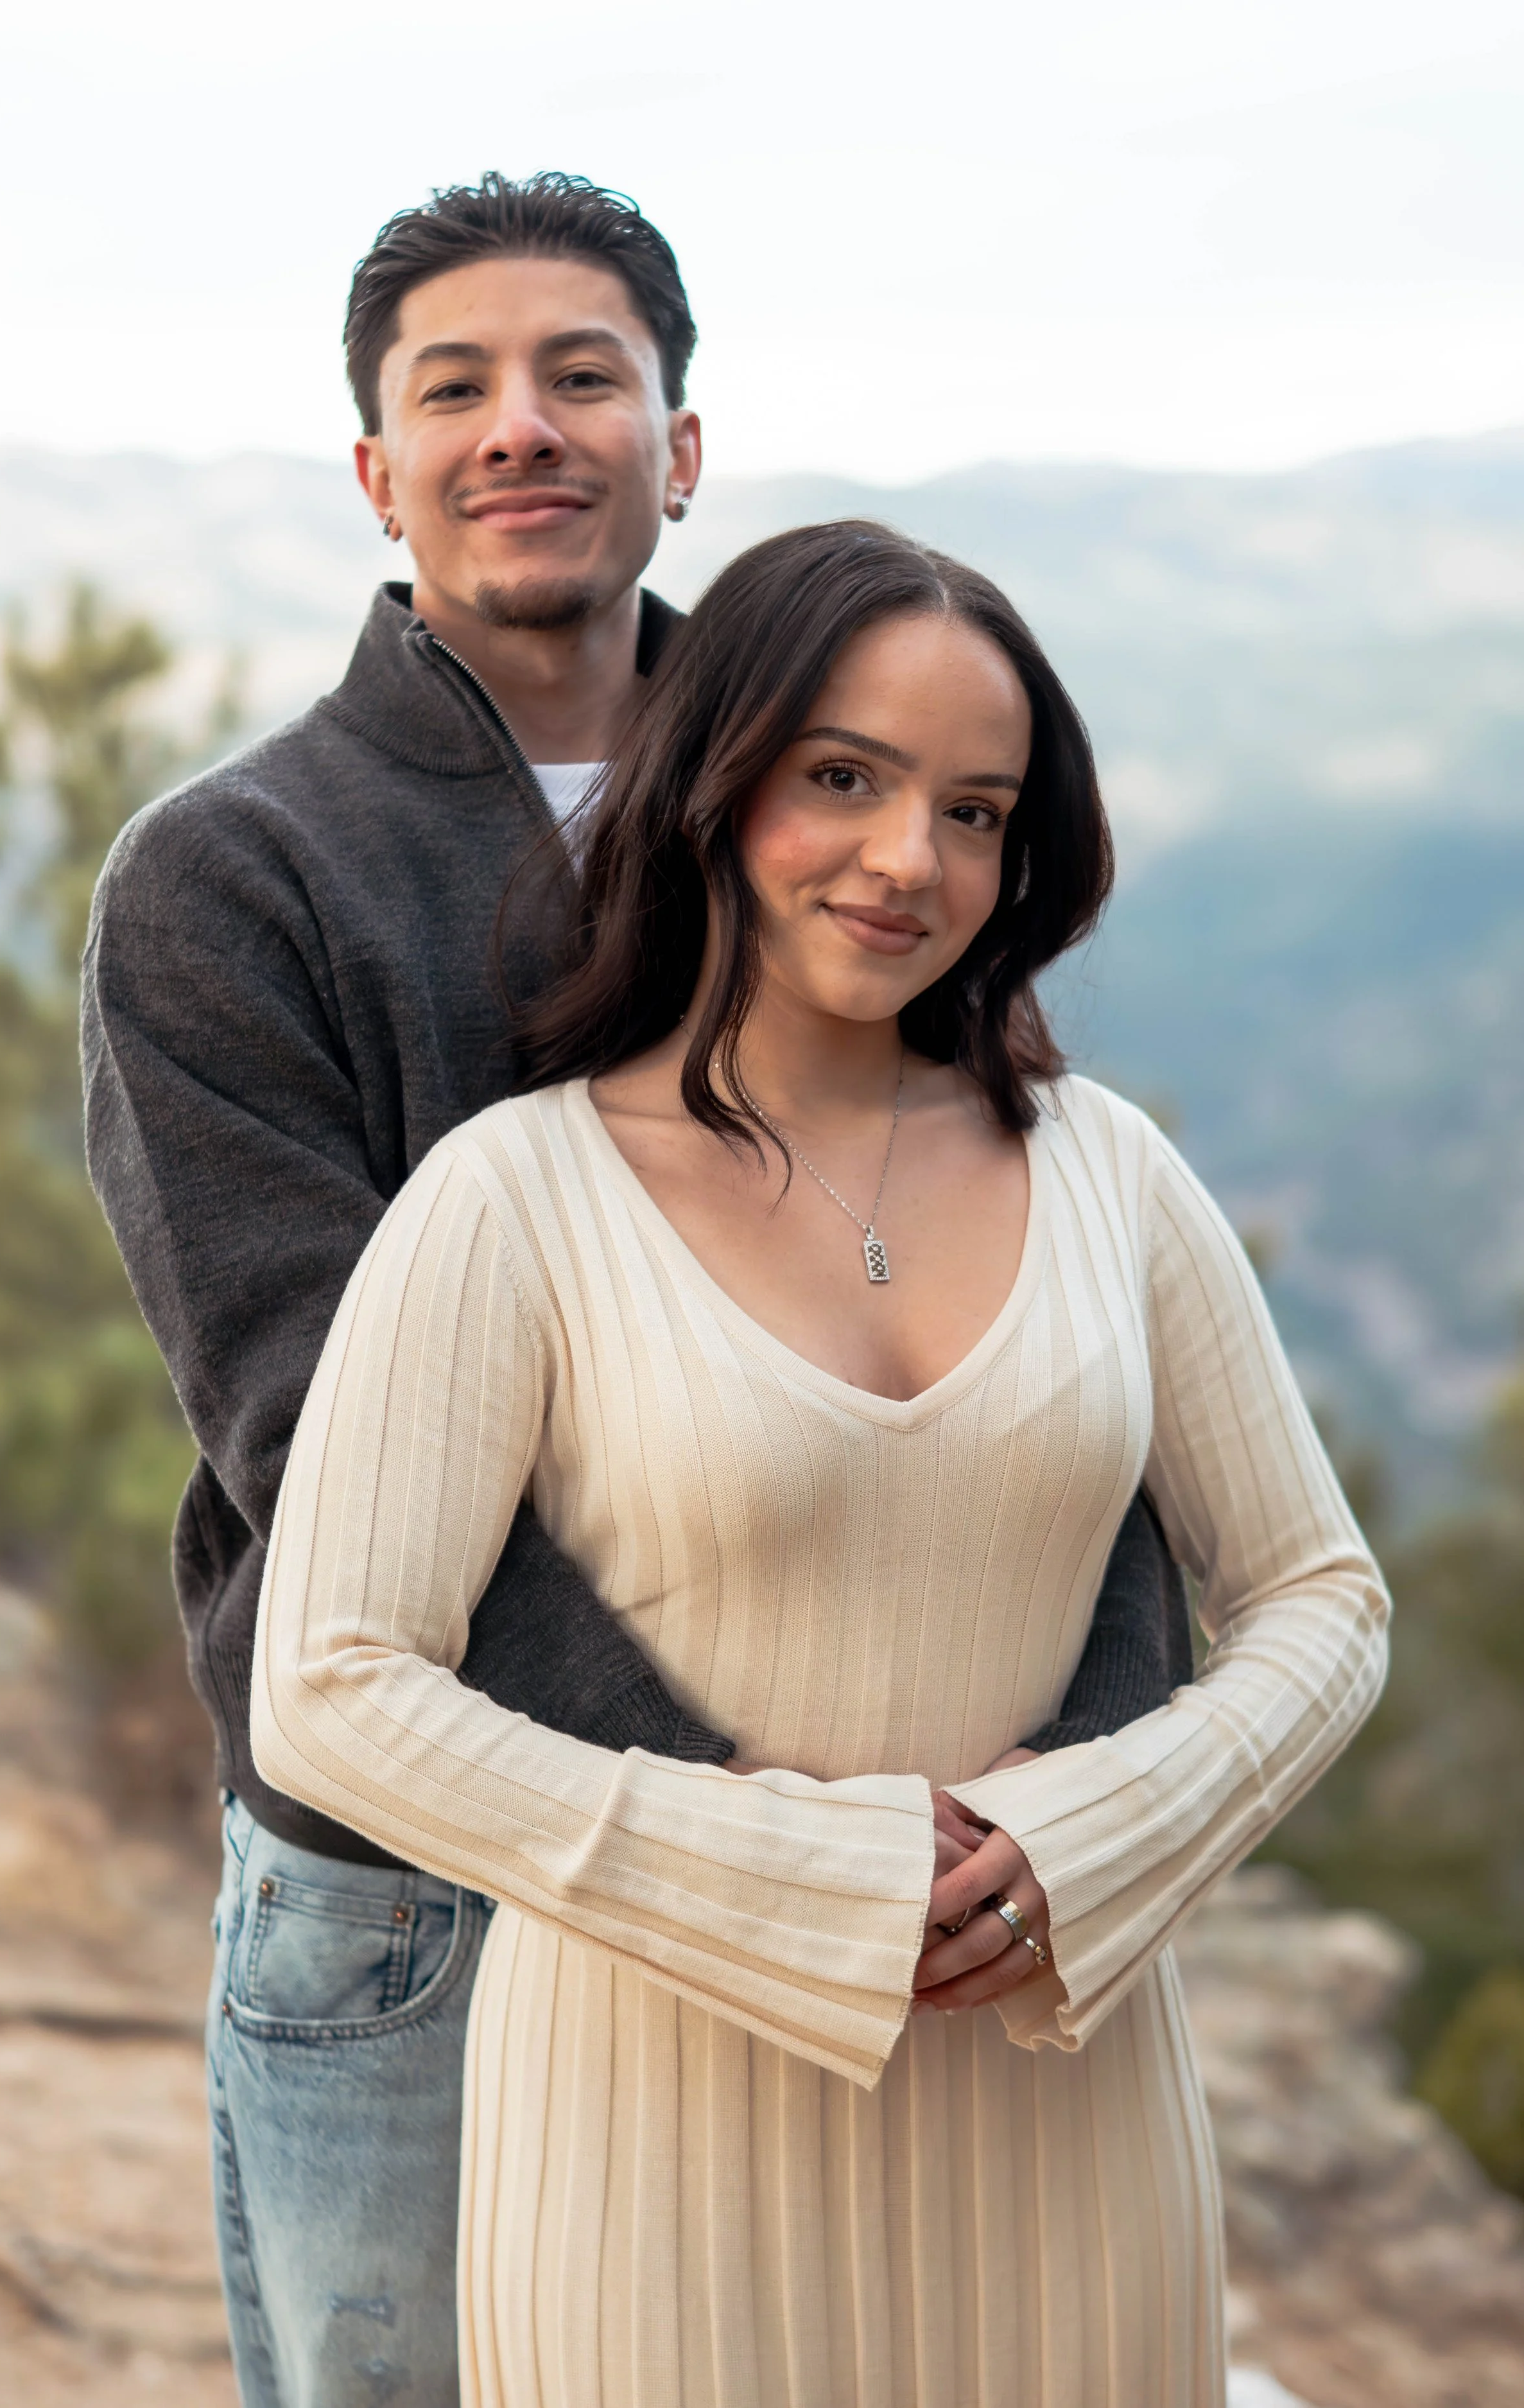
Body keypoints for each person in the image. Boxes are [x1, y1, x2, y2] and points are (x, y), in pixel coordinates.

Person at [83, 178, 1186, 2407]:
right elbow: (310, 1423)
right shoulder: (234, 878)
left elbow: (1043, 1286)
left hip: (903, 1853)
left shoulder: (836, 812)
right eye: (453, 388)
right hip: (429, 1886)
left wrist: (1057, 1787)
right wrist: (764, 1827)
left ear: (681, 445)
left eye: (584, 374)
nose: (525, 426)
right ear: (377, 474)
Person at [252, 518, 1390, 2408]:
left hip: (1068, 2103)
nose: (908, 859)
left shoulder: (1109, 1171)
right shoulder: (512, 1198)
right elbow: (330, 1687)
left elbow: (1323, 1599)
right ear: (715, 777)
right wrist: (778, 1875)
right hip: (649, 2126)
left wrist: (1099, 1826)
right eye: (842, 779)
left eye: (974, 809)